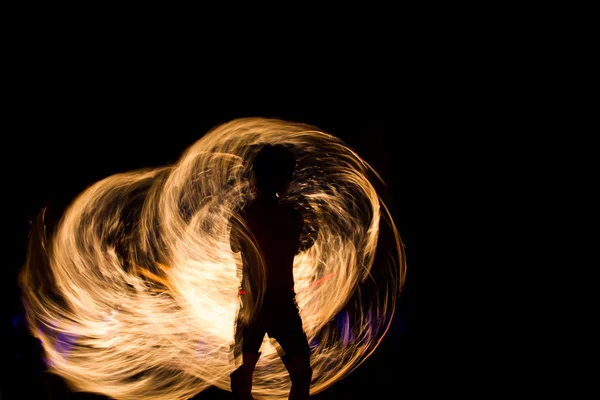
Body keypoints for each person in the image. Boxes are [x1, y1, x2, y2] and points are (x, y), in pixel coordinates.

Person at [229, 144, 313, 400]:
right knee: (301, 374)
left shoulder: (242, 216)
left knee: (242, 377)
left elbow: (235, 247)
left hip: (252, 305)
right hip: (282, 305)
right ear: (282, 178)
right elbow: (296, 246)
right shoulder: (292, 217)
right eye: (289, 175)